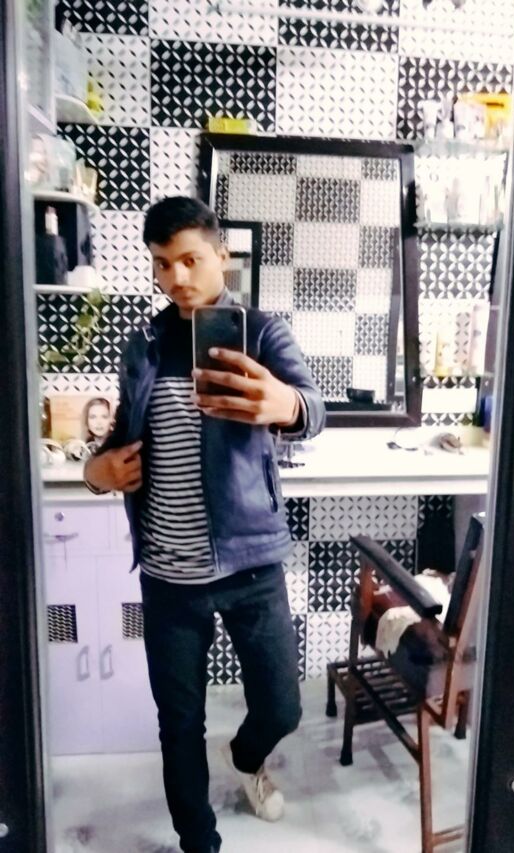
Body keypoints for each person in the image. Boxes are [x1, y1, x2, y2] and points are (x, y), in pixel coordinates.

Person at [83, 196, 325, 853]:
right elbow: (114, 441)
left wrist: (285, 403)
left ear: (222, 254)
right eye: (163, 264)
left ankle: (246, 757)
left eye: (190, 260)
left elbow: (313, 408)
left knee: (281, 707)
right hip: (168, 576)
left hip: (251, 565)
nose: (177, 277)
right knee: (179, 723)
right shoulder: (144, 345)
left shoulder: (259, 332)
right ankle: (199, 841)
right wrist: (96, 472)